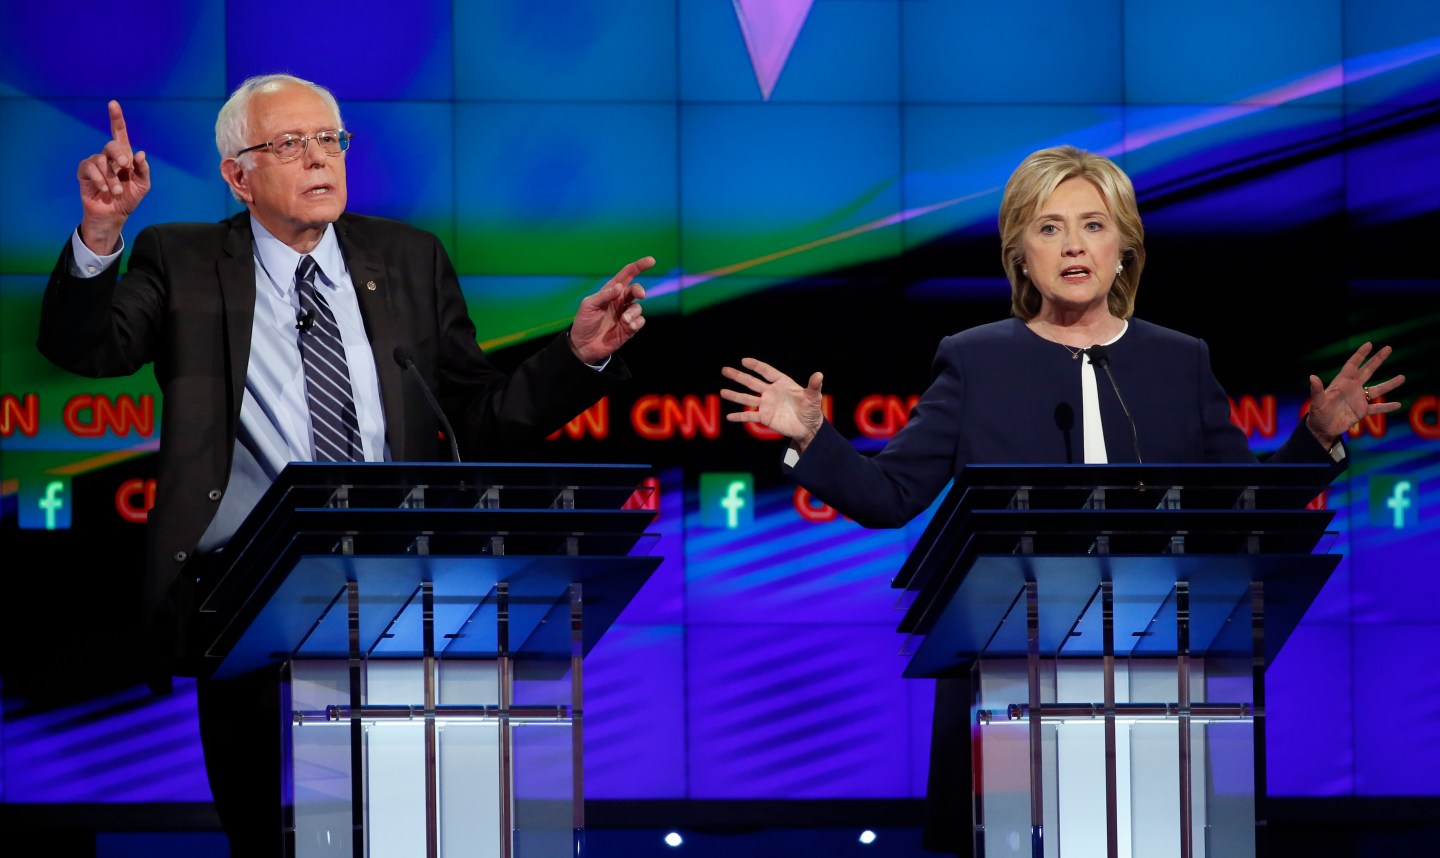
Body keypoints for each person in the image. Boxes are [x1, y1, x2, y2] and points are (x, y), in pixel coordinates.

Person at [720, 144, 1403, 856]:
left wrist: (1314, 441)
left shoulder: (1180, 360)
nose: (1073, 245)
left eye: (1093, 225)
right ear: (1019, 254)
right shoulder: (975, 359)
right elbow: (890, 495)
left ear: (1125, 248)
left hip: (1168, 681)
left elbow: (1240, 516)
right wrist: (813, 436)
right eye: (1048, 228)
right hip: (1009, 682)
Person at [38, 72, 654, 857]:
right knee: (270, 837)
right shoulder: (182, 258)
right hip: (246, 590)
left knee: (406, 831)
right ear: (238, 176)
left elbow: (477, 418)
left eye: (329, 139)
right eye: (289, 144)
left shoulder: (408, 258)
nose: (318, 158)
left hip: (401, 586)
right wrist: (100, 234)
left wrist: (576, 357)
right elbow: (87, 348)